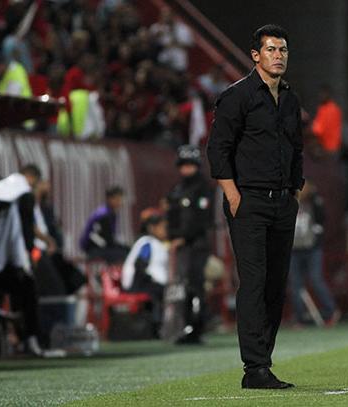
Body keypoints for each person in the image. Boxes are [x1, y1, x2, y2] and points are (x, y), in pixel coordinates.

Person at [207, 24, 304, 389]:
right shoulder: (237, 96)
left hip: (283, 203)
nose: (278, 56)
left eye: (283, 50)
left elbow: (296, 150)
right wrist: (234, 197)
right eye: (271, 50)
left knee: (275, 286)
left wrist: (294, 193)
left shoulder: (290, 99)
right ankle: (255, 369)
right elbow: (218, 149)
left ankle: (263, 363)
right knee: (254, 283)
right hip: (248, 201)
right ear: (255, 55)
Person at [0, 170, 42, 358]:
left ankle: (31, 339)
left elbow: (14, 238)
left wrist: (21, 264)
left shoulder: (6, 209)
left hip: (3, 268)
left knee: (28, 287)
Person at [167, 144, 213, 345]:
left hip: (196, 245)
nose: (186, 169)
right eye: (183, 165)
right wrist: (173, 237)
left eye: (190, 165)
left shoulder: (203, 188)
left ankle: (196, 327)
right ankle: (183, 326)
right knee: (183, 287)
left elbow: (203, 220)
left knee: (195, 285)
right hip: (181, 245)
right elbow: (172, 216)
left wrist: (183, 237)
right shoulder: (177, 189)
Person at [289, 181, 339, 326]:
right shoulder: (289, 202)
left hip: (312, 248)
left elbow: (322, 220)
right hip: (294, 249)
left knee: (316, 279)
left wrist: (314, 194)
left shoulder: (315, 202)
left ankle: (331, 310)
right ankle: (300, 317)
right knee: (295, 284)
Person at [122, 212, 171, 338]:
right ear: (152, 228)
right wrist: (151, 280)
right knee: (161, 291)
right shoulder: (146, 243)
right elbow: (140, 265)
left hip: (149, 283)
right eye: (162, 227)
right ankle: (157, 327)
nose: (165, 230)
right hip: (138, 283)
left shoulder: (158, 244)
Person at [79, 186, 129, 263]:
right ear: (109, 199)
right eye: (117, 199)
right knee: (125, 253)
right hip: (93, 249)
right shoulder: (103, 215)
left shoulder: (110, 213)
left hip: (101, 247)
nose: (120, 202)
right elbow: (105, 239)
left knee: (125, 250)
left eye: (120, 199)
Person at [311, 85, 342, 154]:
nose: (320, 96)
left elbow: (318, 130)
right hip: (334, 147)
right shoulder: (335, 108)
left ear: (328, 94)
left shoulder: (325, 109)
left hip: (326, 147)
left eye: (323, 94)